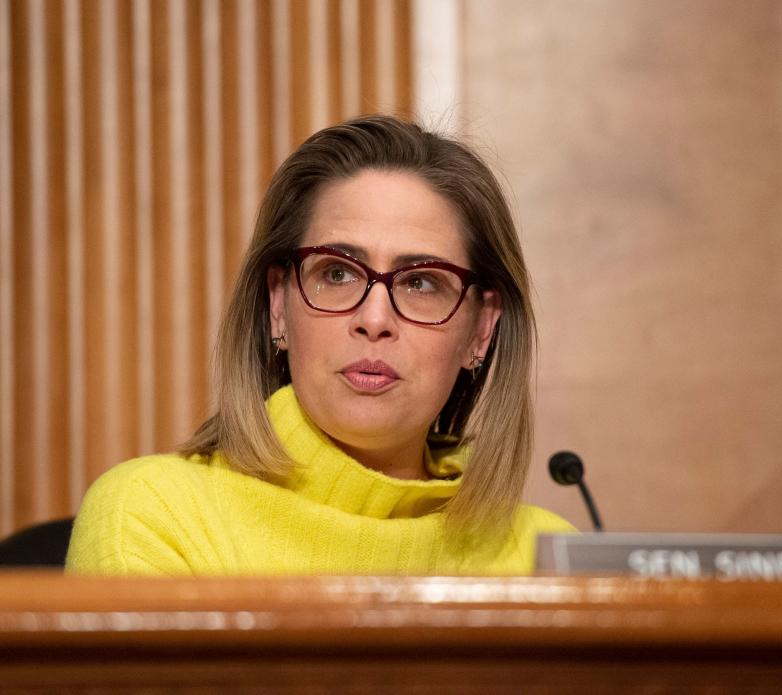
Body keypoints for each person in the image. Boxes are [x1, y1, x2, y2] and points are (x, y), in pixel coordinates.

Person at [66, 115, 574, 575]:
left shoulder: (544, 556)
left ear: (481, 330)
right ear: (279, 305)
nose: (374, 319)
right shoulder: (153, 516)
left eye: (422, 282)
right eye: (337, 273)